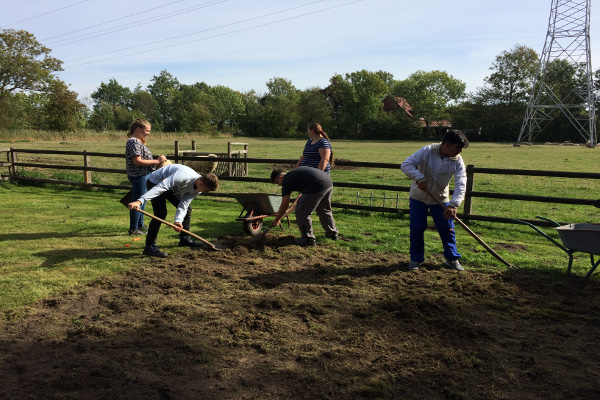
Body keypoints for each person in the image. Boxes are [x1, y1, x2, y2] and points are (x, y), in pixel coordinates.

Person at [400, 130, 470, 271]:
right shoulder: (427, 151)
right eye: (458, 147)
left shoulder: (457, 160)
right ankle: (416, 260)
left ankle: (451, 259)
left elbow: (461, 183)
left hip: (440, 198)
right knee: (417, 227)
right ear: (447, 144)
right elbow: (406, 165)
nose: (460, 151)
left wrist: (454, 204)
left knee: (447, 228)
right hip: (418, 197)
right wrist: (419, 178)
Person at [127, 164, 219, 258]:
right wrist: (140, 201)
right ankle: (149, 246)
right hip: (156, 182)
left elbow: (184, 204)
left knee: (187, 210)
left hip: (172, 187)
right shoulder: (183, 176)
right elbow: (161, 187)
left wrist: (178, 221)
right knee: (160, 213)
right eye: (207, 190)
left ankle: (185, 238)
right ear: (201, 183)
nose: (206, 193)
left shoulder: (197, 189)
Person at [270, 166, 338, 247]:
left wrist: (277, 219)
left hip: (316, 185)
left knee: (301, 212)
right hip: (327, 182)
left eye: (277, 182)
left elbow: (284, 205)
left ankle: (307, 239)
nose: (279, 185)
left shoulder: (287, 180)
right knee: (324, 210)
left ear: (280, 177)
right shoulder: (294, 174)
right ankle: (332, 234)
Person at [125, 118, 167, 236]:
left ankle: (140, 225)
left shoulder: (138, 141)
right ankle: (133, 229)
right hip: (139, 176)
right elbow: (137, 161)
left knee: (142, 201)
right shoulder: (133, 142)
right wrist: (157, 161)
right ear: (139, 129)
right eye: (147, 130)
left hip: (143, 175)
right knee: (138, 201)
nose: (148, 133)